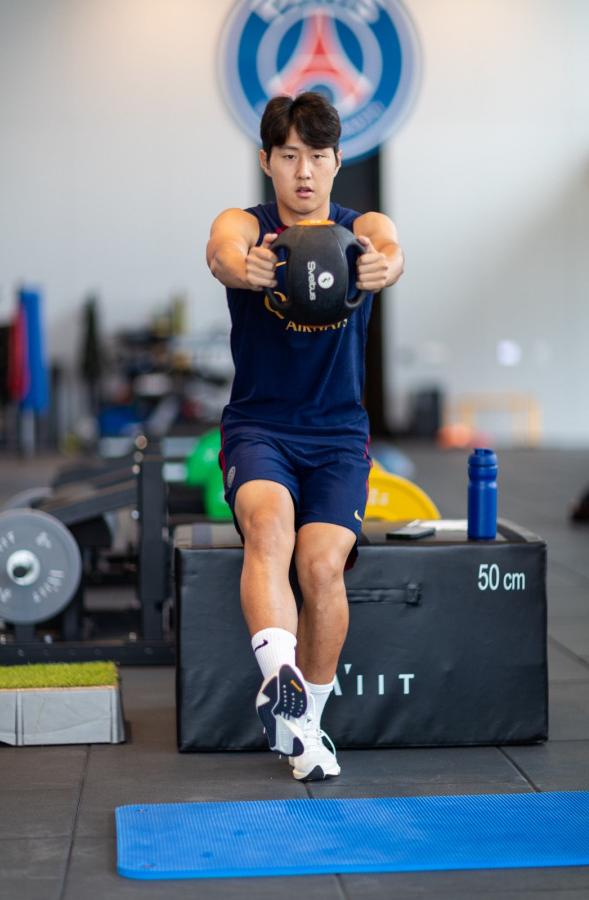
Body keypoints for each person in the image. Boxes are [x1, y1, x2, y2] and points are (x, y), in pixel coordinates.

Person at [206, 91, 404, 781]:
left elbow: (390, 247)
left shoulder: (361, 227)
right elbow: (221, 251)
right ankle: (278, 680)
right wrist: (246, 268)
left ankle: (304, 723)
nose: (304, 171)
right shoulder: (246, 225)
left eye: (317, 155)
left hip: (339, 434)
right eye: (288, 155)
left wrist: (384, 265)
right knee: (269, 528)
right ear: (267, 161)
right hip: (261, 425)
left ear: (336, 161)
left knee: (321, 568)